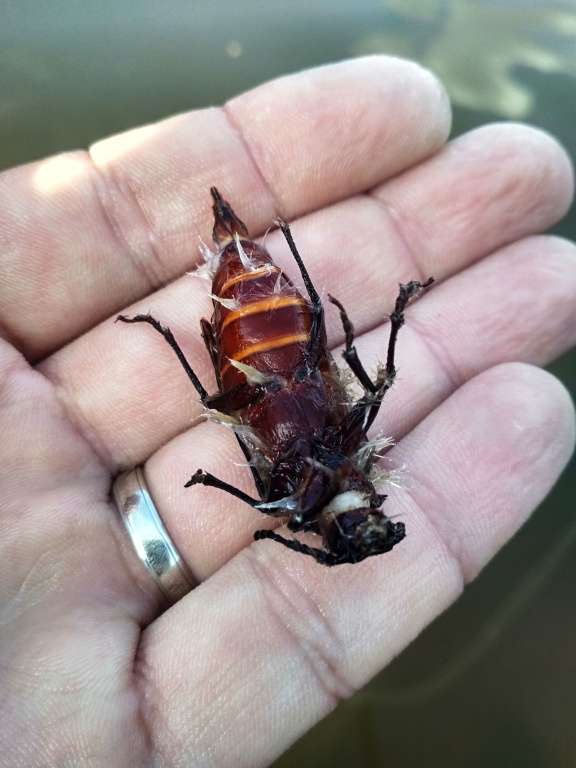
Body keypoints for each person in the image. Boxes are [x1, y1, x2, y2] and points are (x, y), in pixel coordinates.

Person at [0, 56, 574, 767]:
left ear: (331, 528)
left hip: (253, 367)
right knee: (356, 382)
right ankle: (257, 266)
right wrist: (390, 320)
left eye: (357, 527)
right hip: (297, 346)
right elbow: (373, 383)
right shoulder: (352, 458)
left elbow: (250, 457)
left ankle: (224, 290)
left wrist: (246, 496)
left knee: (233, 402)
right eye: (375, 519)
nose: (367, 516)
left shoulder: (289, 501)